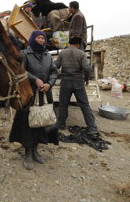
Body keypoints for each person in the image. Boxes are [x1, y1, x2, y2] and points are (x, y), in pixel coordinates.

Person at [9, 30, 58, 170]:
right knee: (28, 124)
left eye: (43, 38)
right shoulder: (25, 53)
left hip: (44, 93)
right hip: (28, 93)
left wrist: (49, 83)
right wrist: (35, 79)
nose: (41, 40)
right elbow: (21, 70)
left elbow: (54, 71)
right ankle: (28, 154)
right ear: (32, 39)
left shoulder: (48, 55)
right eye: (38, 38)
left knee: (42, 122)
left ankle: (36, 151)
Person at [54, 37, 98, 134]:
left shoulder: (62, 53)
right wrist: (86, 79)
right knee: (84, 105)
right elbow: (86, 68)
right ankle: (92, 128)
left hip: (65, 81)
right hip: (78, 82)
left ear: (70, 43)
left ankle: (61, 125)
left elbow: (56, 66)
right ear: (78, 44)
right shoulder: (81, 53)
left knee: (63, 105)